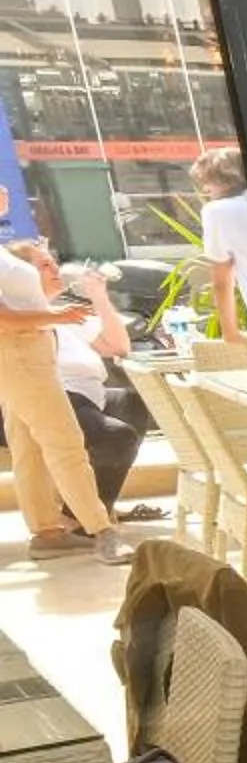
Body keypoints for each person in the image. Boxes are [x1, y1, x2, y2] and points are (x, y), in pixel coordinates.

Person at [0, 204, 127, 562]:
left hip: (23, 355)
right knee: (65, 443)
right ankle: (102, 531)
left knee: (29, 448)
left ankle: (47, 533)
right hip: (19, 356)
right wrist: (57, 315)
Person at [192, 148, 247, 364]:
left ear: (220, 181)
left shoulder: (217, 212)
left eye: (207, 182)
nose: (205, 189)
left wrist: (231, 331)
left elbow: (222, 280)